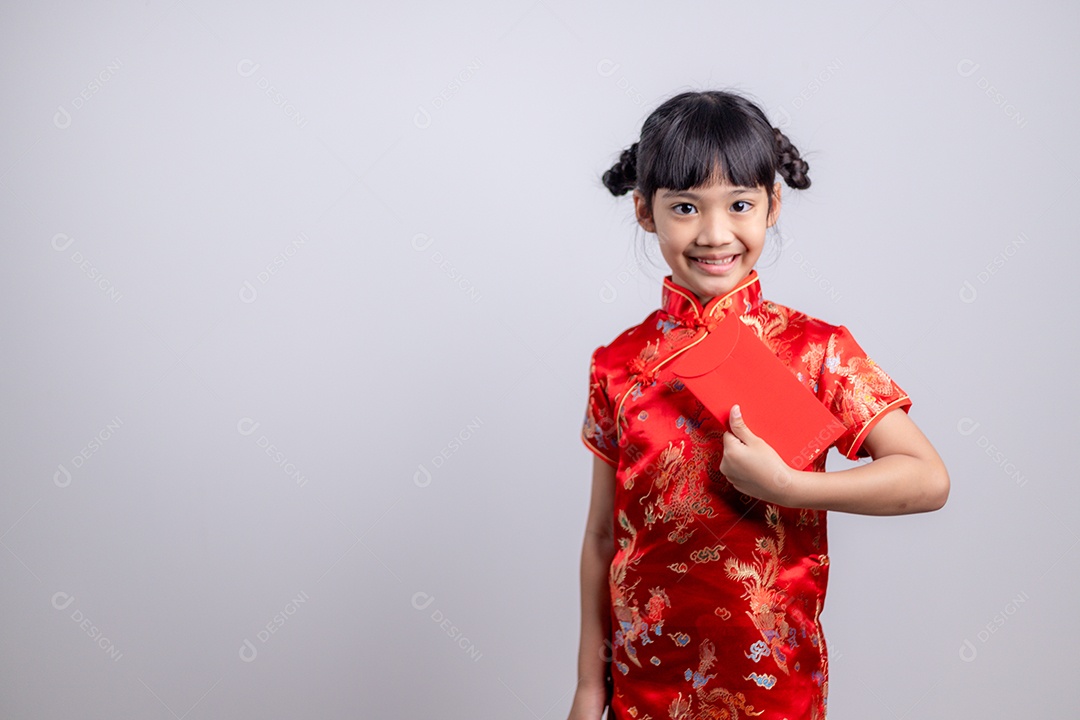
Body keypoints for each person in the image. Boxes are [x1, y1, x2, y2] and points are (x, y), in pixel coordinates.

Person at [568, 89, 950, 720]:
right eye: (685, 208)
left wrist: (790, 486)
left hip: (772, 680)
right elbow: (603, 534)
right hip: (644, 686)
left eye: (739, 205)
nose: (715, 234)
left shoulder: (815, 349)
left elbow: (928, 480)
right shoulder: (617, 363)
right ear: (644, 211)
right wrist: (589, 684)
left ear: (772, 205)